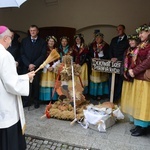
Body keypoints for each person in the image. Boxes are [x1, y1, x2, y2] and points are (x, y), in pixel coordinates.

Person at [0, 26, 35, 150]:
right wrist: (26, 78)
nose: (11, 41)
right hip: (4, 103)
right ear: (5, 38)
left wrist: (25, 76)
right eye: (10, 37)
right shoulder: (5, 55)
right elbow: (11, 84)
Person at [121, 24, 150, 136]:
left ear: (148, 33)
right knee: (138, 103)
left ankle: (143, 127)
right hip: (138, 78)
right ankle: (139, 125)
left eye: (142, 32)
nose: (140, 35)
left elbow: (148, 61)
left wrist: (135, 70)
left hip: (145, 79)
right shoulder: (142, 45)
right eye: (139, 33)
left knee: (143, 103)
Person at [20, 25, 46, 108]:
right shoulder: (24, 41)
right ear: (29, 31)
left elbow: (43, 55)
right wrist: (29, 64)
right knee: (26, 84)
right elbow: (22, 54)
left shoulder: (42, 42)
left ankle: (36, 101)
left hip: (36, 67)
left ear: (37, 31)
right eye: (31, 30)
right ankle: (27, 101)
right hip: (26, 66)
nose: (32, 32)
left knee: (36, 85)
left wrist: (34, 64)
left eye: (34, 30)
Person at [109, 24, 129, 103]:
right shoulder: (114, 39)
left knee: (119, 82)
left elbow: (127, 52)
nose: (118, 31)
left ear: (124, 30)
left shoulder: (127, 40)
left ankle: (117, 99)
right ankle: (111, 99)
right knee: (111, 81)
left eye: (120, 29)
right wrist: (111, 57)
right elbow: (110, 50)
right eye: (117, 29)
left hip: (121, 63)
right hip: (113, 64)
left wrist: (118, 58)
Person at [89, 32, 110, 100]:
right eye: (96, 38)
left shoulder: (106, 46)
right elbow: (88, 54)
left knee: (101, 80)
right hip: (94, 65)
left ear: (102, 38)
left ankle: (101, 94)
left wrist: (100, 59)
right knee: (94, 80)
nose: (98, 39)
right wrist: (92, 58)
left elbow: (108, 55)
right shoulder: (92, 45)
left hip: (102, 65)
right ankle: (93, 94)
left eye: (99, 37)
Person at [39, 36, 59, 103]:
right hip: (46, 68)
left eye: (52, 41)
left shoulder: (56, 50)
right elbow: (42, 59)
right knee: (46, 83)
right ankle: (45, 99)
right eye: (50, 41)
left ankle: (53, 98)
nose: (51, 42)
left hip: (53, 69)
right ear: (47, 42)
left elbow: (58, 60)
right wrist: (47, 67)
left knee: (53, 84)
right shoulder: (44, 49)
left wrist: (53, 66)